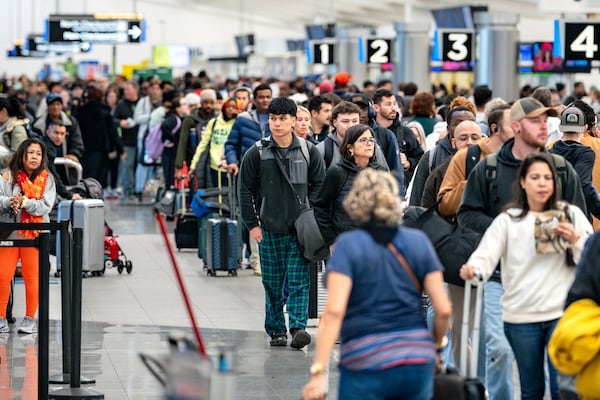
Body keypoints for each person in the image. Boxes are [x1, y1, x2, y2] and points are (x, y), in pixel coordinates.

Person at [458, 97, 589, 400]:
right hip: (502, 280)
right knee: (500, 352)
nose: (545, 126)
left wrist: (572, 238)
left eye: (546, 120)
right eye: (536, 120)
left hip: (556, 283)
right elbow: (467, 215)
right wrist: (511, 229)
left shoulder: (561, 168)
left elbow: (580, 222)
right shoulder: (488, 169)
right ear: (515, 127)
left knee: (556, 374)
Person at [302, 168, 451, 400]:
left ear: (354, 203)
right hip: (414, 359)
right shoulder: (418, 242)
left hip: (364, 359)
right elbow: (443, 309)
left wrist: (319, 371)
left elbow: (333, 312)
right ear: (394, 202)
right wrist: (436, 346)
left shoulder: (348, 246)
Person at [239, 97, 325, 349]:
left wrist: (315, 219)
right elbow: (244, 189)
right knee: (273, 283)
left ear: (293, 120)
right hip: (268, 227)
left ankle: (298, 327)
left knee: (299, 280)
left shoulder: (308, 151)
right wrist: (252, 224)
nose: (277, 124)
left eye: (283, 119)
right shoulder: (257, 152)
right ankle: (276, 329)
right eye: (273, 119)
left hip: (300, 229)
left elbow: (319, 186)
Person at [0, 138, 56, 334]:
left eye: (38, 154)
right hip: (9, 232)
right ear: (22, 155)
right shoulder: (7, 176)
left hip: (36, 233)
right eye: (31, 153)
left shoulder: (46, 179)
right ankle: (1, 317)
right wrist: (10, 202)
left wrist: (25, 203)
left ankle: (30, 318)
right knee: (2, 275)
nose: (34, 157)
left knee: (32, 277)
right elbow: (0, 200)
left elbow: (45, 205)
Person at [314, 124, 387, 248]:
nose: (369, 143)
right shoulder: (337, 173)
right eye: (363, 140)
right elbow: (321, 209)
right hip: (344, 242)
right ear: (350, 148)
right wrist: (332, 241)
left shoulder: (381, 172)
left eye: (371, 140)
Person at [72, 85, 120, 188]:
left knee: (85, 177)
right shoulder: (105, 112)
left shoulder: (80, 111)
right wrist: (118, 148)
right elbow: (112, 132)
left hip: (84, 149)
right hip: (101, 150)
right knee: (99, 179)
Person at [160, 92, 189, 189]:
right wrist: (172, 140)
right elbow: (164, 126)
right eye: (184, 104)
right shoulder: (174, 119)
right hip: (170, 154)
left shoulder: (179, 118)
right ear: (178, 108)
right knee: (170, 179)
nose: (186, 106)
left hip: (172, 153)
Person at [0, 96, 29, 170]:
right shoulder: (3, 128)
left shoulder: (17, 129)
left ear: (3, 111)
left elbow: (17, 155)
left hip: (10, 174)